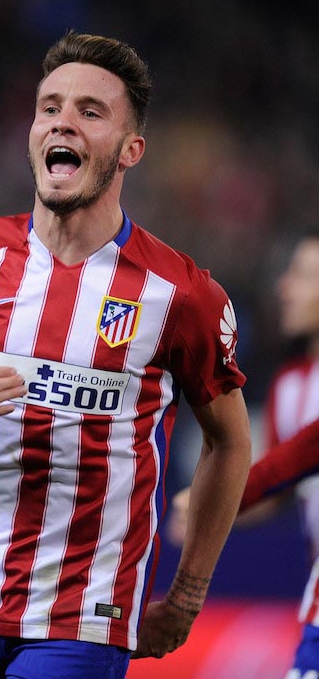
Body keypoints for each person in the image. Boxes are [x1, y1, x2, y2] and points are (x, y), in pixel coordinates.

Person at [0, 30, 251, 679]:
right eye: (49, 107)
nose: (62, 121)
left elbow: (229, 443)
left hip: (84, 618)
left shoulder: (180, 293)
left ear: (131, 150)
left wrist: (186, 594)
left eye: (90, 112)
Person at [168, 229, 319, 679]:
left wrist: (218, 495)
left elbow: (304, 452)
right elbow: (283, 487)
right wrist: (218, 510)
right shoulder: (290, 387)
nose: (285, 288)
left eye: (305, 276)